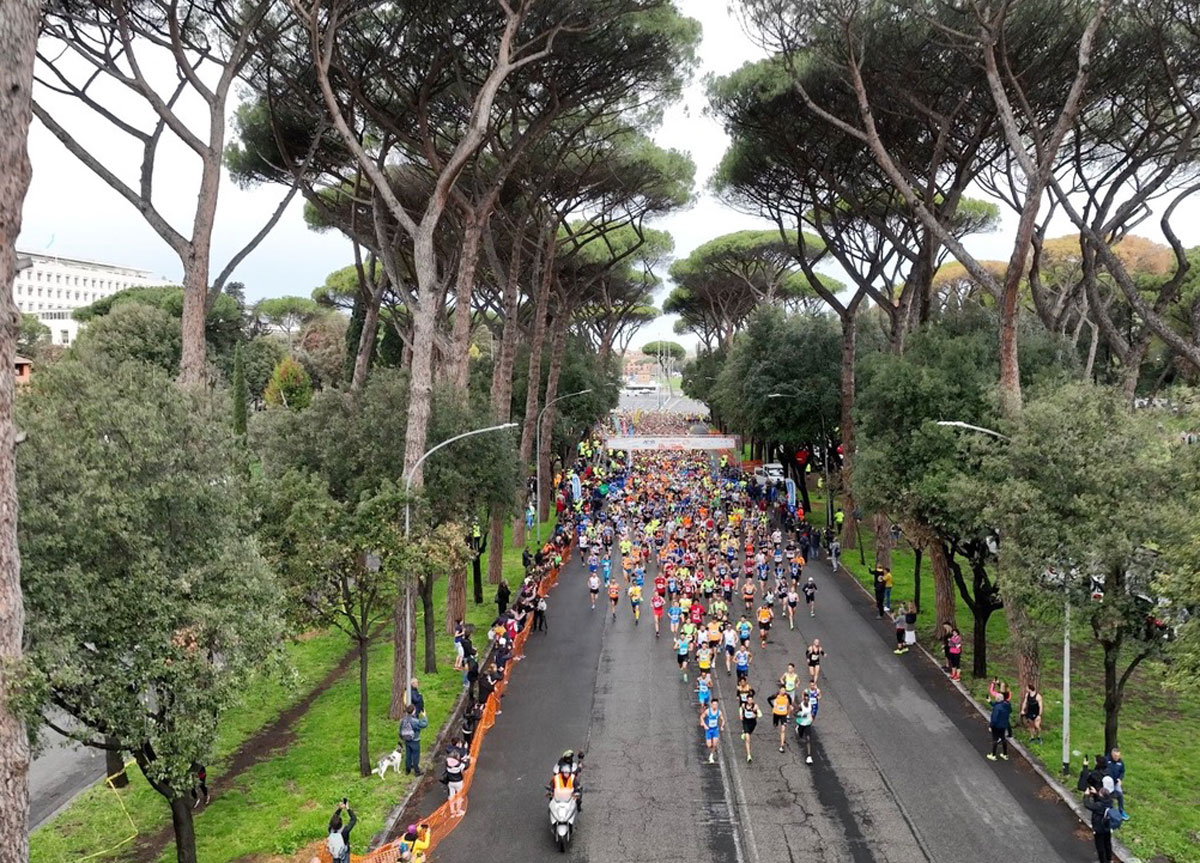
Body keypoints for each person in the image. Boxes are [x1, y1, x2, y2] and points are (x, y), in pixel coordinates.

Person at [1082, 784, 1116, 863]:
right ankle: (1109, 859)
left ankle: (1103, 861)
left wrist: (1086, 795)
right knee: (1107, 843)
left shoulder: (1099, 805)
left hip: (1099, 827)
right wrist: (1096, 794)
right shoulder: (1110, 801)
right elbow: (1101, 799)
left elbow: (1087, 804)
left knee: (1100, 845)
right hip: (1107, 826)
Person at [985, 680, 1012, 761]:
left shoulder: (997, 708)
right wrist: (990, 702)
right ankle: (1005, 754)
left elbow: (994, 718)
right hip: (1004, 725)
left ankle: (993, 755)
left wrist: (991, 726)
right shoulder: (1007, 705)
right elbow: (1010, 711)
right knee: (1003, 738)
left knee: (995, 739)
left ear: (997, 699)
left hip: (996, 726)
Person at [399, 703, 429, 775]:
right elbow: (424, 724)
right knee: (415, 756)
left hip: (407, 739)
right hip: (415, 740)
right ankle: (417, 771)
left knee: (408, 755)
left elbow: (400, 729)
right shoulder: (414, 721)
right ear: (413, 711)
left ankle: (408, 770)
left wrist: (402, 737)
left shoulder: (404, 719)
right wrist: (424, 716)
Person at [444, 744, 470, 818]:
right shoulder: (459, 765)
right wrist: (466, 759)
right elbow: (466, 766)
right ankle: (458, 811)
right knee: (459, 796)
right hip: (458, 782)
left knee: (451, 796)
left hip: (450, 782)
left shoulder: (447, 763)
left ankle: (452, 812)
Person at [700, 697, 725, 764]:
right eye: (714, 704)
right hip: (708, 729)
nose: (715, 706)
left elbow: (723, 720)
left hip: (715, 729)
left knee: (714, 744)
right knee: (709, 745)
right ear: (711, 704)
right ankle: (711, 751)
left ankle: (711, 756)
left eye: (716, 705)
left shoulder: (719, 712)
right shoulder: (708, 711)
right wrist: (705, 725)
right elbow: (702, 717)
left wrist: (722, 726)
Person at [1106, 748, 1129, 820]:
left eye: (1118, 756)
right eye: (1115, 756)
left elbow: (1122, 772)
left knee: (1120, 794)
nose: (1117, 757)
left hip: (1115, 782)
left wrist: (1120, 779)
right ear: (1112, 754)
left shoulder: (1120, 762)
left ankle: (1121, 811)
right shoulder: (1107, 760)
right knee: (1108, 796)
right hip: (1107, 782)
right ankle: (1109, 812)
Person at [795, 690, 815, 764]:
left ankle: (809, 756)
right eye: (805, 699)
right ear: (804, 699)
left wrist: (811, 717)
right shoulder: (800, 706)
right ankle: (798, 729)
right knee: (800, 735)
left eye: (808, 699)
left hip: (807, 724)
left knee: (808, 738)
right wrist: (801, 715)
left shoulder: (810, 705)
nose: (806, 701)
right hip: (801, 723)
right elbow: (795, 714)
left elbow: (811, 712)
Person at [740, 695, 761, 763]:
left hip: (752, 723)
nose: (750, 701)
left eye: (751, 700)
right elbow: (740, 709)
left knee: (748, 734)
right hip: (746, 722)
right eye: (748, 700)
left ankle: (744, 732)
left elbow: (760, 714)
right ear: (746, 700)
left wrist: (756, 715)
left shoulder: (755, 706)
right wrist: (740, 714)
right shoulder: (744, 705)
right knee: (748, 739)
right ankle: (749, 755)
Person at [771, 684, 792, 753]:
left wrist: (789, 709)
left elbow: (790, 702)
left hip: (783, 714)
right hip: (776, 714)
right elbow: (768, 699)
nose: (783, 691)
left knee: (783, 729)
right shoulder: (776, 696)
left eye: (784, 690)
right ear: (780, 690)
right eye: (782, 690)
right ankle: (776, 724)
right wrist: (773, 706)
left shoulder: (787, 696)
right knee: (775, 725)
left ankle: (782, 745)